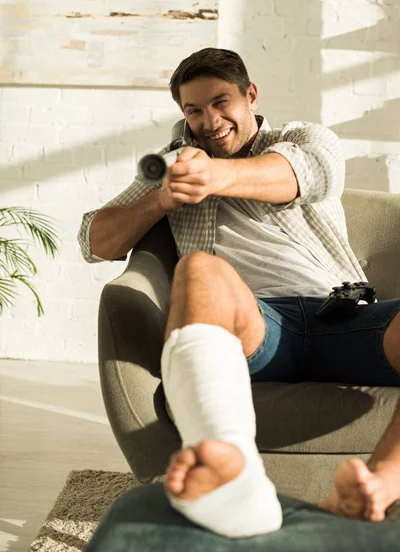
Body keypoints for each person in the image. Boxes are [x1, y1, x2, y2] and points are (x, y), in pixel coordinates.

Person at [78, 48, 400, 539]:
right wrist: (164, 195)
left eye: (220, 102)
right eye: (194, 110)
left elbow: (304, 173)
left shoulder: (301, 137)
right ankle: (234, 479)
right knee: (198, 270)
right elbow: (95, 241)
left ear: (250, 95)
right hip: (256, 329)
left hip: (344, 315)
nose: (210, 120)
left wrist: (212, 175)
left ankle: (375, 487)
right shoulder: (173, 168)